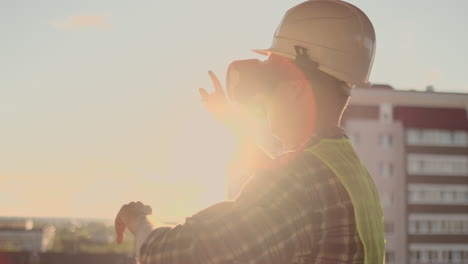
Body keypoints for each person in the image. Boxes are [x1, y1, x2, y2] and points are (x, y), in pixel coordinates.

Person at [115, 0, 385, 263]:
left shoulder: (299, 182)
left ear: (293, 89)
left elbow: (182, 254)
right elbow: (280, 179)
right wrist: (231, 124)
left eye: (270, 83)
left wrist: (140, 220)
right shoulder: (349, 171)